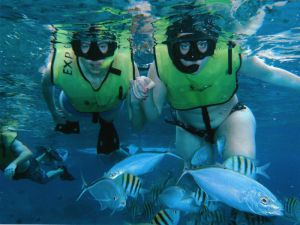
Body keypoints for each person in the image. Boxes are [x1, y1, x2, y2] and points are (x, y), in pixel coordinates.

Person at [130, 14, 300, 167]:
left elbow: (271, 75)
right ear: (173, 45)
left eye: (202, 44)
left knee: (240, 168)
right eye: (184, 46)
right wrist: (142, 96)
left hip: (231, 117)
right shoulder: (160, 65)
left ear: (212, 42)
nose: (193, 56)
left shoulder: (229, 53)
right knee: (194, 181)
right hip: (188, 127)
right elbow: (152, 115)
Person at [41, 25, 142, 154]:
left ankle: (106, 125)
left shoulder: (129, 67)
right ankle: (74, 122)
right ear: (76, 47)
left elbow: (134, 109)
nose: (94, 59)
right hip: (73, 107)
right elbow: (45, 85)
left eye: (103, 45)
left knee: (108, 119)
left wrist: (138, 97)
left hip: (109, 108)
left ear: (112, 46)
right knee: (71, 117)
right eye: (84, 46)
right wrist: (54, 112)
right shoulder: (59, 67)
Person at [0, 127, 74, 184]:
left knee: (43, 180)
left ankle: (61, 170)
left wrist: (13, 164)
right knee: (34, 163)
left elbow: (27, 153)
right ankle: (45, 153)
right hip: (19, 172)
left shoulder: (10, 141)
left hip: (27, 169)